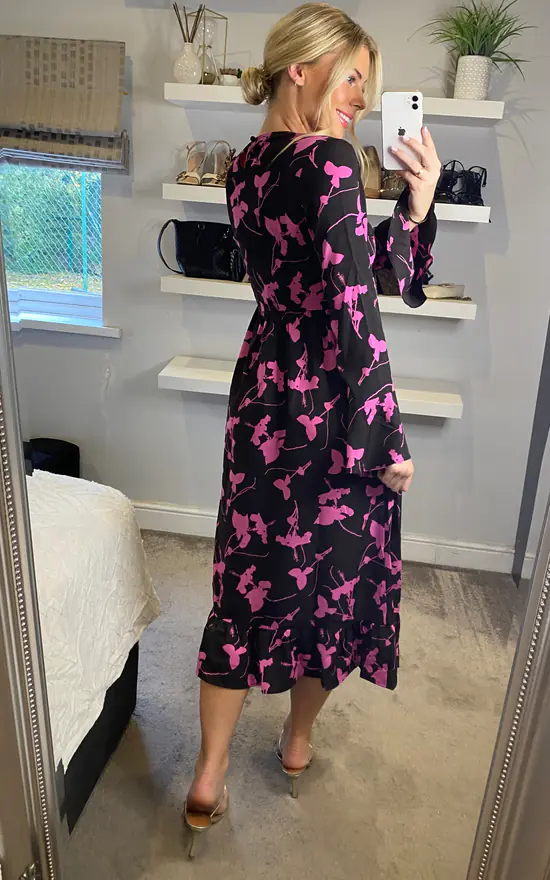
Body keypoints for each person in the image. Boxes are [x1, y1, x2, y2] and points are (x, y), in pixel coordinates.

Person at [184, 1, 440, 853]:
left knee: (244, 580)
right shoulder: (329, 162)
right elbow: (360, 305)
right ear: (303, 68)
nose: (361, 99)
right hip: (330, 408)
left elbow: (353, 271)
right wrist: (387, 437)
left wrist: (415, 205)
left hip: (263, 393)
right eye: (353, 79)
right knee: (334, 580)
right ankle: (296, 743)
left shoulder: (246, 164)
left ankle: (208, 775)